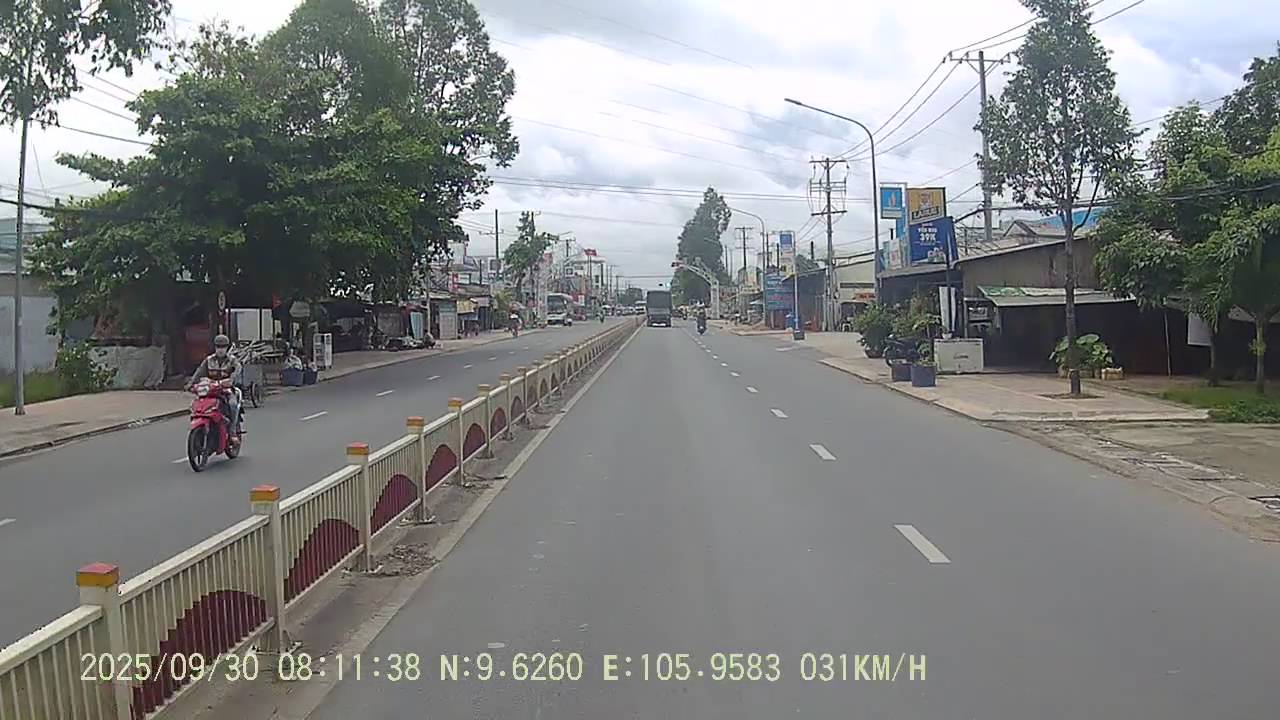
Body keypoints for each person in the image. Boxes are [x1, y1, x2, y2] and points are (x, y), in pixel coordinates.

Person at [187, 334, 244, 436]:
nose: (220, 350)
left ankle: (232, 432)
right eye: (218, 347)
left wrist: (231, 380)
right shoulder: (208, 360)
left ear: (227, 348)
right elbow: (199, 372)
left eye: (223, 347)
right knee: (197, 404)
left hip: (226, 390)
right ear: (215, 347)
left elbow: (238, 370)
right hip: (210, 390)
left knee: (233, 405)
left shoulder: (232, 360)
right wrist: (190, 384)